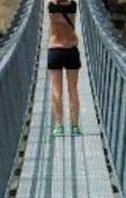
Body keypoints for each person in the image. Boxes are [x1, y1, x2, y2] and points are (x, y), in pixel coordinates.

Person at [46, 0, 81, 136]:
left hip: (55, 50)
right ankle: (75, 126)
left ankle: (59, 125)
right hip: (71, 50)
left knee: (56, 90)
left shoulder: (51, 6)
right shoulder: (73, 5)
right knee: (73, 89)